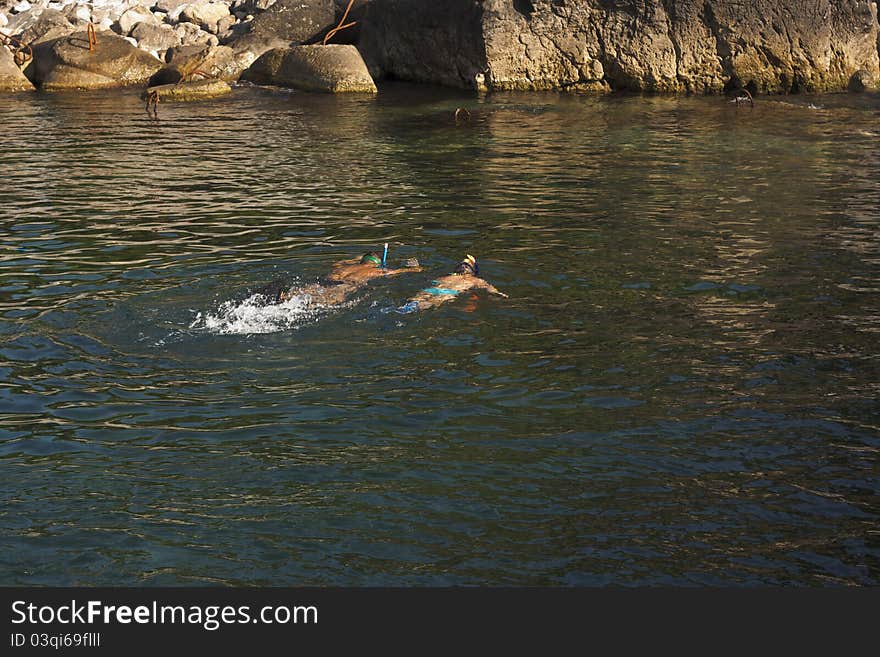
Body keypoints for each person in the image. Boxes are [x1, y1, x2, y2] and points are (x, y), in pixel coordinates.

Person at [258, 251, 421, 306]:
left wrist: (358, 259)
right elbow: (398, 272)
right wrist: (414, 268)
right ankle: (295, 306)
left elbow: (339, 261)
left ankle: (287, 296)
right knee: (331, 301)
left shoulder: (343, 266)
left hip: (327, 278)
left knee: (314, 288)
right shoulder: (374, 272)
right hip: (344, 285)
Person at [396, 254, 507, 313]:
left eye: (466, 264)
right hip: (441, 291)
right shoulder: (471, 280)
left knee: (423, 300)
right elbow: (489, 287)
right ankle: (410, 308)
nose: (464, 265)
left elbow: (488, 287)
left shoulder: (450, 277)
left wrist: (498, 293)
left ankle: (409, 308)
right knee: (423, 301)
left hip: (439, 290)